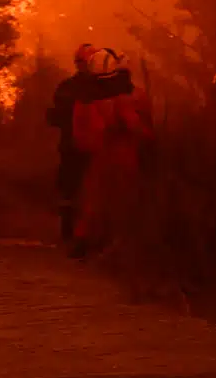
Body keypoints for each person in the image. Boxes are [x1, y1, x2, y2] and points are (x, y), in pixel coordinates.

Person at [46, 43, 139, 255]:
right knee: (79, 194)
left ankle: (85, 240)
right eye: (79, 62)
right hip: (83, 149)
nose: (81, 66)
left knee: (92, 196)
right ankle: (80, 238)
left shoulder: (86, 91)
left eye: (83, 62)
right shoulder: (78, 89)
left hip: (94, 151)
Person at [67, 47, 155, 257]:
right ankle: (113, 245)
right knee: (120, 202)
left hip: (97, 157)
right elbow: (134, 126)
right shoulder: (122, 98)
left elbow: (79, 133)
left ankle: (85, 243)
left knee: (93, 201)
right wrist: (151, 138)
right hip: (121, 156)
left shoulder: (84, 99)